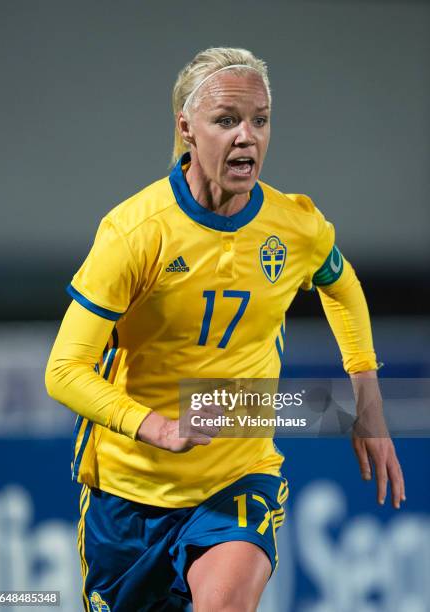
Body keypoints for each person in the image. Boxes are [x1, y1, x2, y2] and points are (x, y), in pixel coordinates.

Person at [45, 47, 405, 612]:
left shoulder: (294, 226)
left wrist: (369, 399)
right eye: (226, 120)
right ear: (186, 128)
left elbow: (342, 284)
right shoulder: (135, 233)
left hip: (237, 468)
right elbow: (64, 371)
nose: (248, 137)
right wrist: (155, 427)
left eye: (260, 120)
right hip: (128, 489)